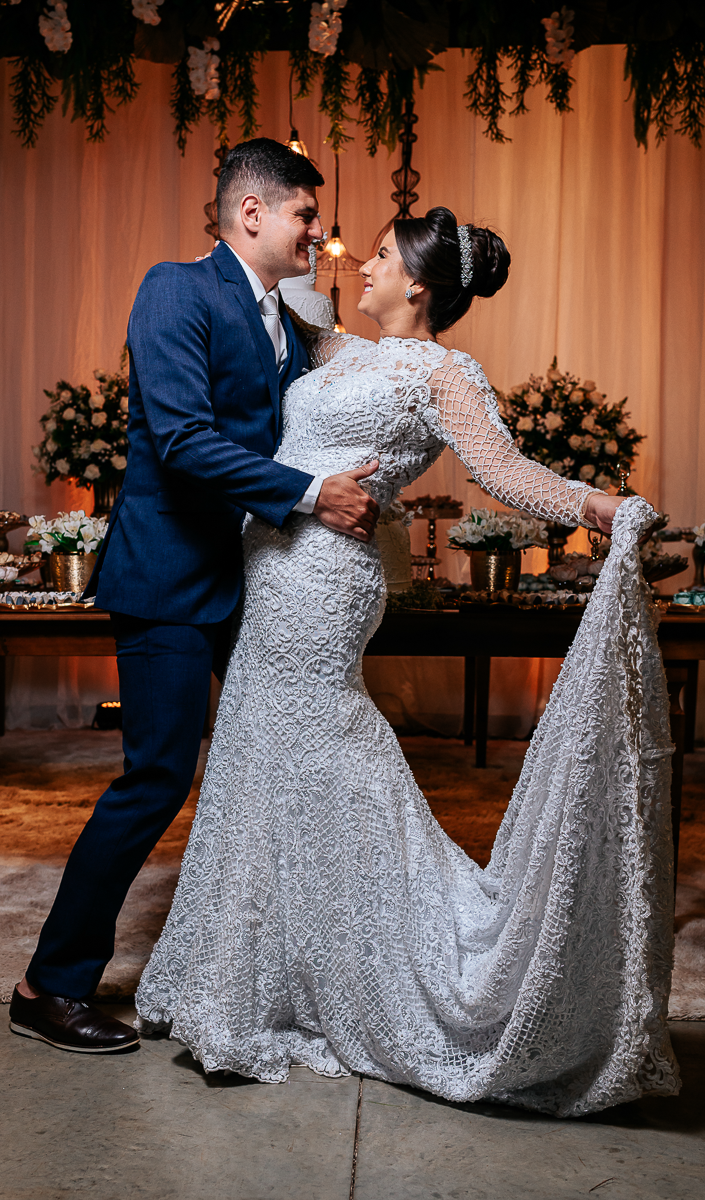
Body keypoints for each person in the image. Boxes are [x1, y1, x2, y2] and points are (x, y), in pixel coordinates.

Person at [134, 209, 680, 1116]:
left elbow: (502, 472)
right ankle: (253, 976)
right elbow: (254, 284)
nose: (363, 263)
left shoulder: (443, 371)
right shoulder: (332, 346)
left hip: (324, 582)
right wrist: (255, 228)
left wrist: (598, 505)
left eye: (382, 255)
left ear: (418, 285)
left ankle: (385, 961)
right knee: (265, 756)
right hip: (265, 567)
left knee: (322, 751)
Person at [9, 139, 381, 1054]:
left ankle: (272, 973)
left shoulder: (288, 321)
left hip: (251, 587)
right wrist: (309, 494)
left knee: (271, 772)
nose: (317, 231)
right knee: (157, 778)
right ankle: (45, 987)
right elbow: (178, 439)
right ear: (251, 213)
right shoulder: (176, 288)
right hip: (170, 582)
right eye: (304, 213)